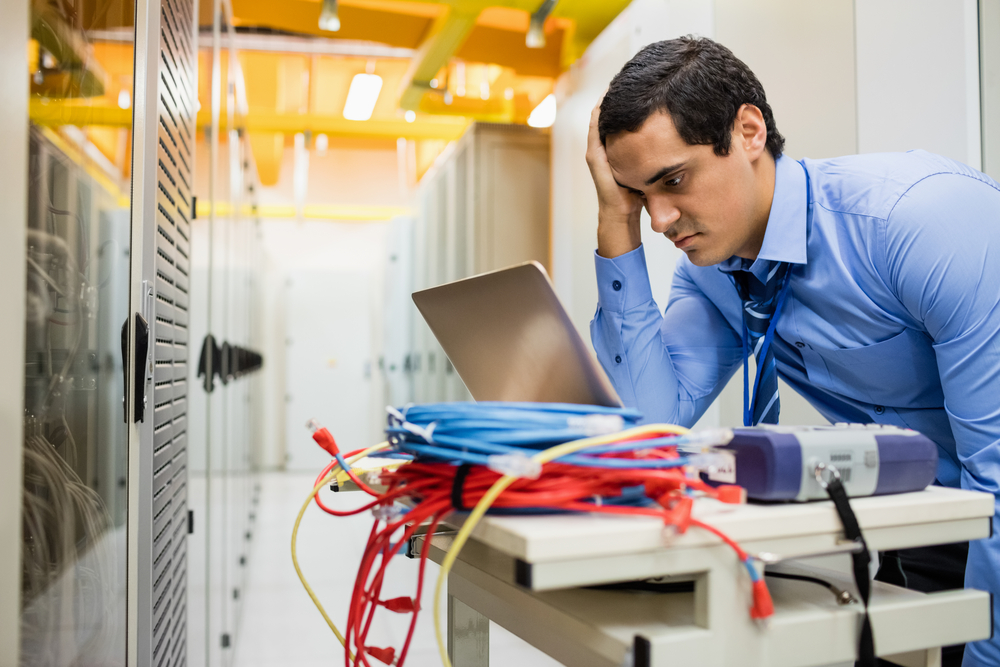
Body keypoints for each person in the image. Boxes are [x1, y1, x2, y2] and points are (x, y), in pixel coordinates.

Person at [587, 36, 1000, 667]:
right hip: (925, 522)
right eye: (639, 194)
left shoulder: (919, 222)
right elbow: (645, 428)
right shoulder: (712, 269)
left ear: (748, 130)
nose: (661, 218)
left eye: (673, 180)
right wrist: (614, 229)